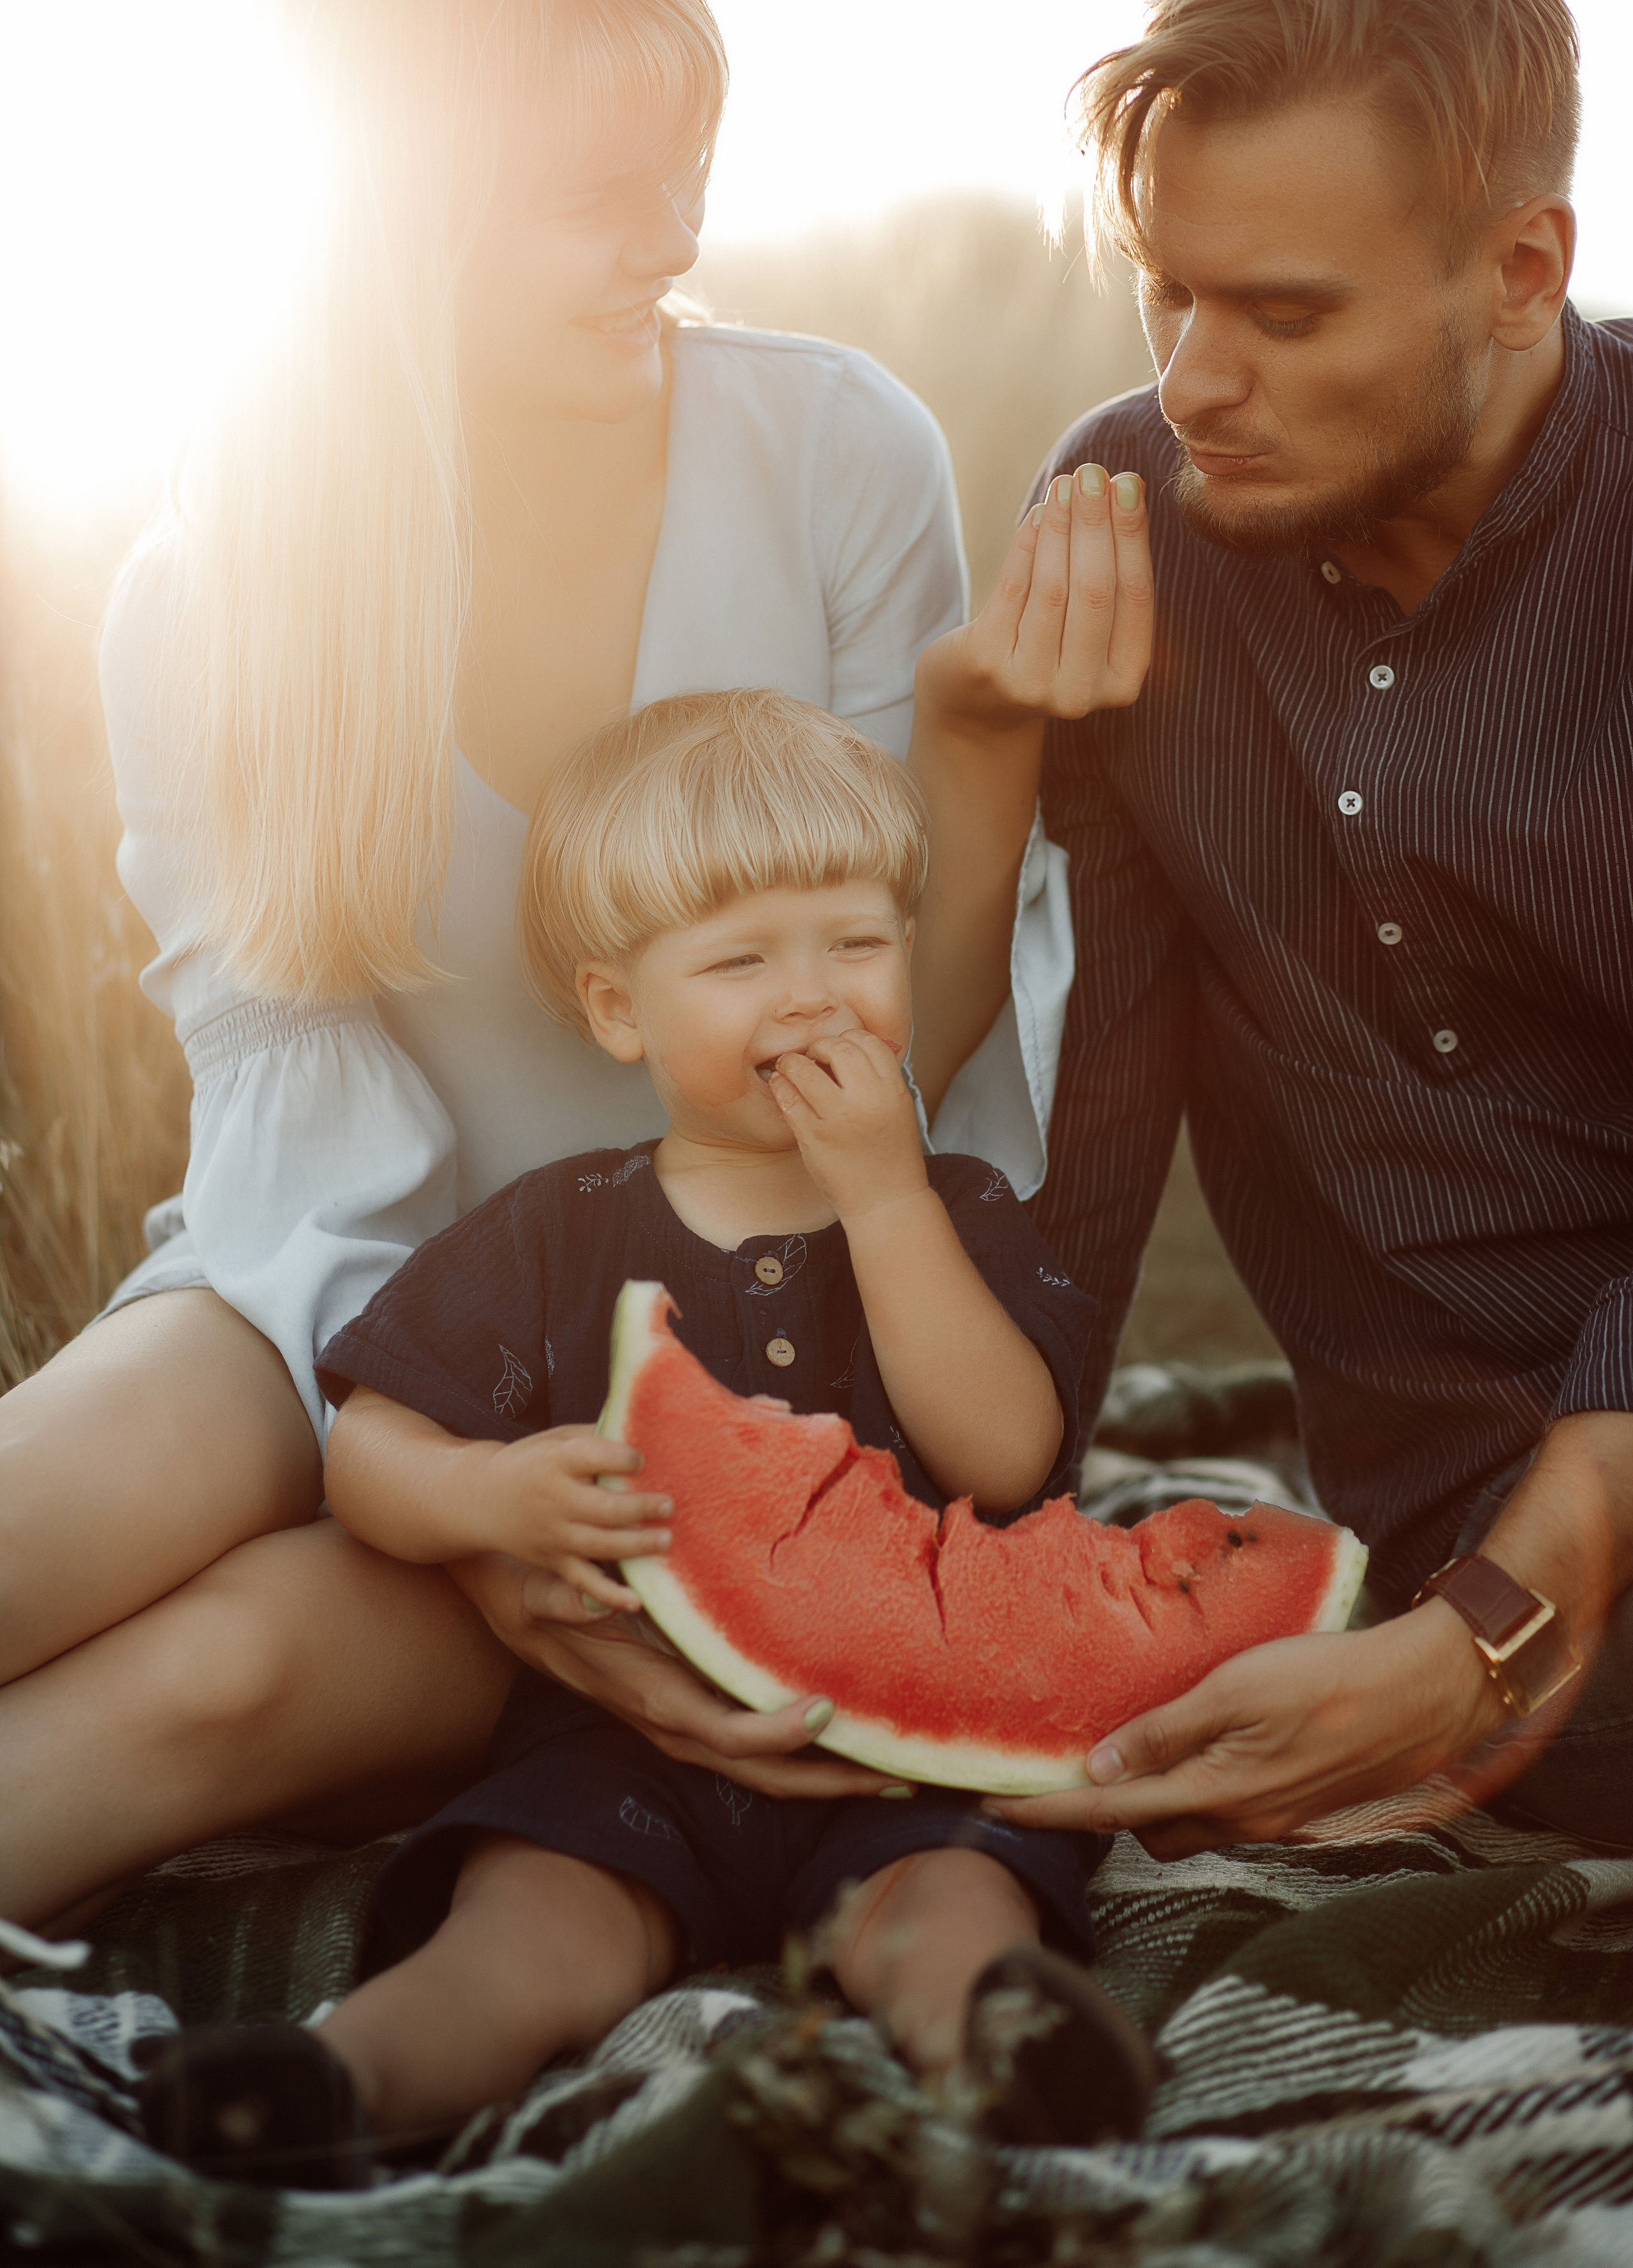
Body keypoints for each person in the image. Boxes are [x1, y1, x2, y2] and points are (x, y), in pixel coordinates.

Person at [0, 0, 1154, 1930]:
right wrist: (429, 1477)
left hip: (750, 1336)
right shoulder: (211, 599)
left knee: (227, 1669)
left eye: (687, 167)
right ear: (388, 226)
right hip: (355, 1292)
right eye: (593, 196)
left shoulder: (834, 459)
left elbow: (904, 1036)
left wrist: (982, 753)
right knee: (42, 1517)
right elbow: (287, 1139)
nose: (673, 237)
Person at [135, 692, 1156, 2185]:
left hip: (908, 1753)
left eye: (856, 945)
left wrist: (886, 1200)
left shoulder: (961, 1216)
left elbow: (1002, 1460)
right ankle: (336, 2078)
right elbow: (368, 1451)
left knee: (949, 1905)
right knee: (524, 1933)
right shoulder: (556, 1231)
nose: (810, 997)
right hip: (615, 1745)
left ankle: (999, 2049)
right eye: (740, 959)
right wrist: (483, 1492)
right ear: (619, 1010)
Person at [980, 0, 1633, 1860]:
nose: (1193, 381)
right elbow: (1081, 1146)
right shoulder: (1128, 523)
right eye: (1168, 293)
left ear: (1523, 269)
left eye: (1285, 312)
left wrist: (1496, 1634)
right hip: (1446, 1514)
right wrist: (938, 1571)